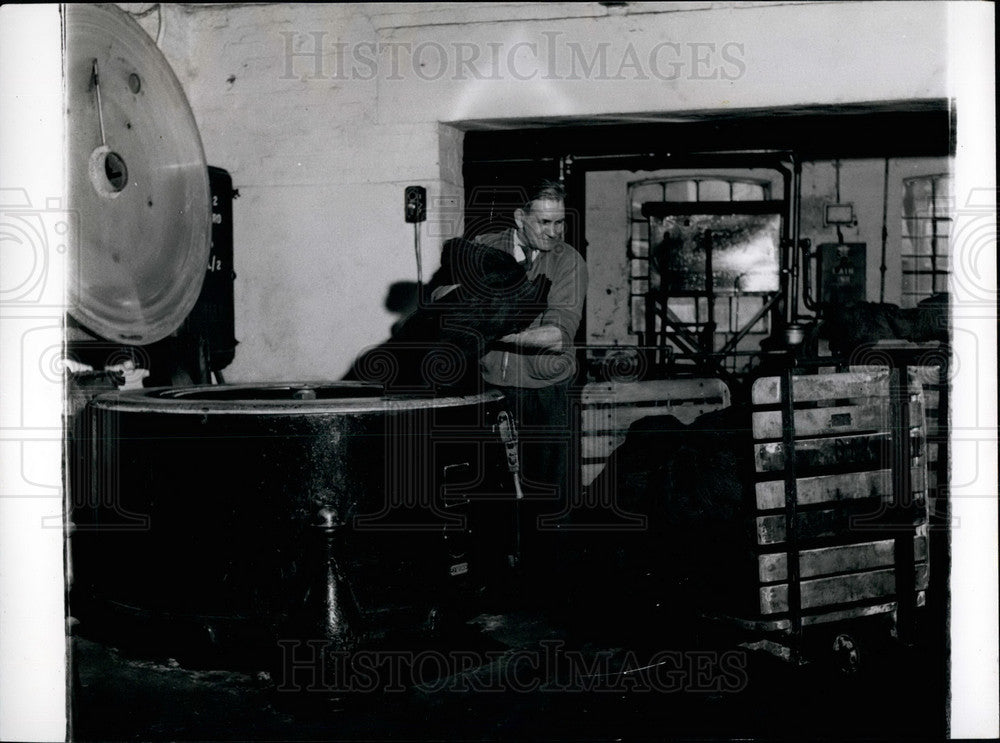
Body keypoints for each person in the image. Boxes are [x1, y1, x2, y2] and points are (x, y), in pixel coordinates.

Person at [472, 179, 588, 575]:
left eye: (560, 222)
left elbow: (557, 336)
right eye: (544, 222)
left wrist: (488, 329)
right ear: (520, 218)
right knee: (491, 495)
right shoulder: (483, 249)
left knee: (550, 500)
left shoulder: (568, 262)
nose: (555, 233)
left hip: (547, 393)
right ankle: (496, 581)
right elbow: (443, 297)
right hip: (492, 391)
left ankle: (549, 585)